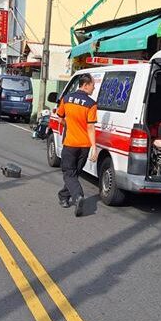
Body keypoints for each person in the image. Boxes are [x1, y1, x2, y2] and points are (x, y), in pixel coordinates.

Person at [56, 74, 98, 217]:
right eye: (93, 85)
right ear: (85, 85)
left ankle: (78, 196)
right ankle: (63, 196)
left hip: (70, 144)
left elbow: (60, 117)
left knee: (69, 173)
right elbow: (91, 127)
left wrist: (68, 125)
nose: (94, 87)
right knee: (74, 173)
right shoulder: (91, 104)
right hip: (84, 146)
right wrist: (94, 147)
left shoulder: (66, 99)